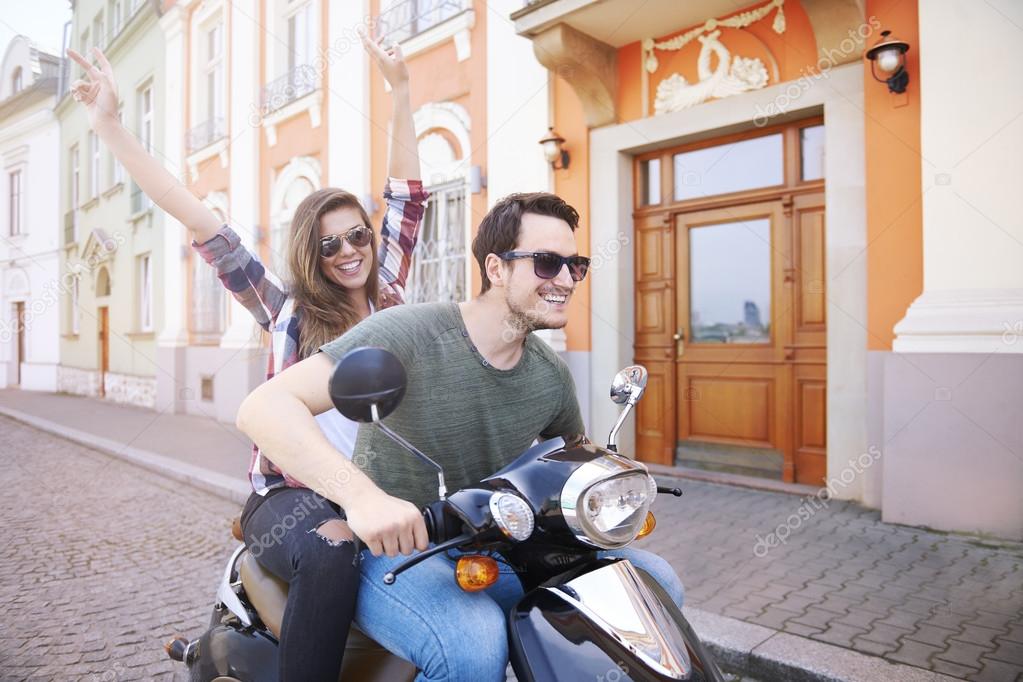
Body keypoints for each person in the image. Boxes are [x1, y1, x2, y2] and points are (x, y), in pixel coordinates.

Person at [67, 30, 429, 682]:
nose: (347, 250)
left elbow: (406, 197)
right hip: (291, 496)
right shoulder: (285, 308)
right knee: (332, 553)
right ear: (307, 254)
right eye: (327, 244)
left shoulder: (395, 301)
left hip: (379, 488)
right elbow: (198, 218)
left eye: (356, 236)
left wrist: (400, 91)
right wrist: (113, 128)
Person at [236, 192, 685, 681]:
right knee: (470, 642)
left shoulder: (550, 375)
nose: (565, 280)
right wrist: (363, 499)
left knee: (653, 582)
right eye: (547, 263)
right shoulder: (410, 332)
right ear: (495, 268)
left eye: (574, 265)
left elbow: (569, 465)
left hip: (497, 544)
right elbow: (264, 407)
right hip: (398, 553)